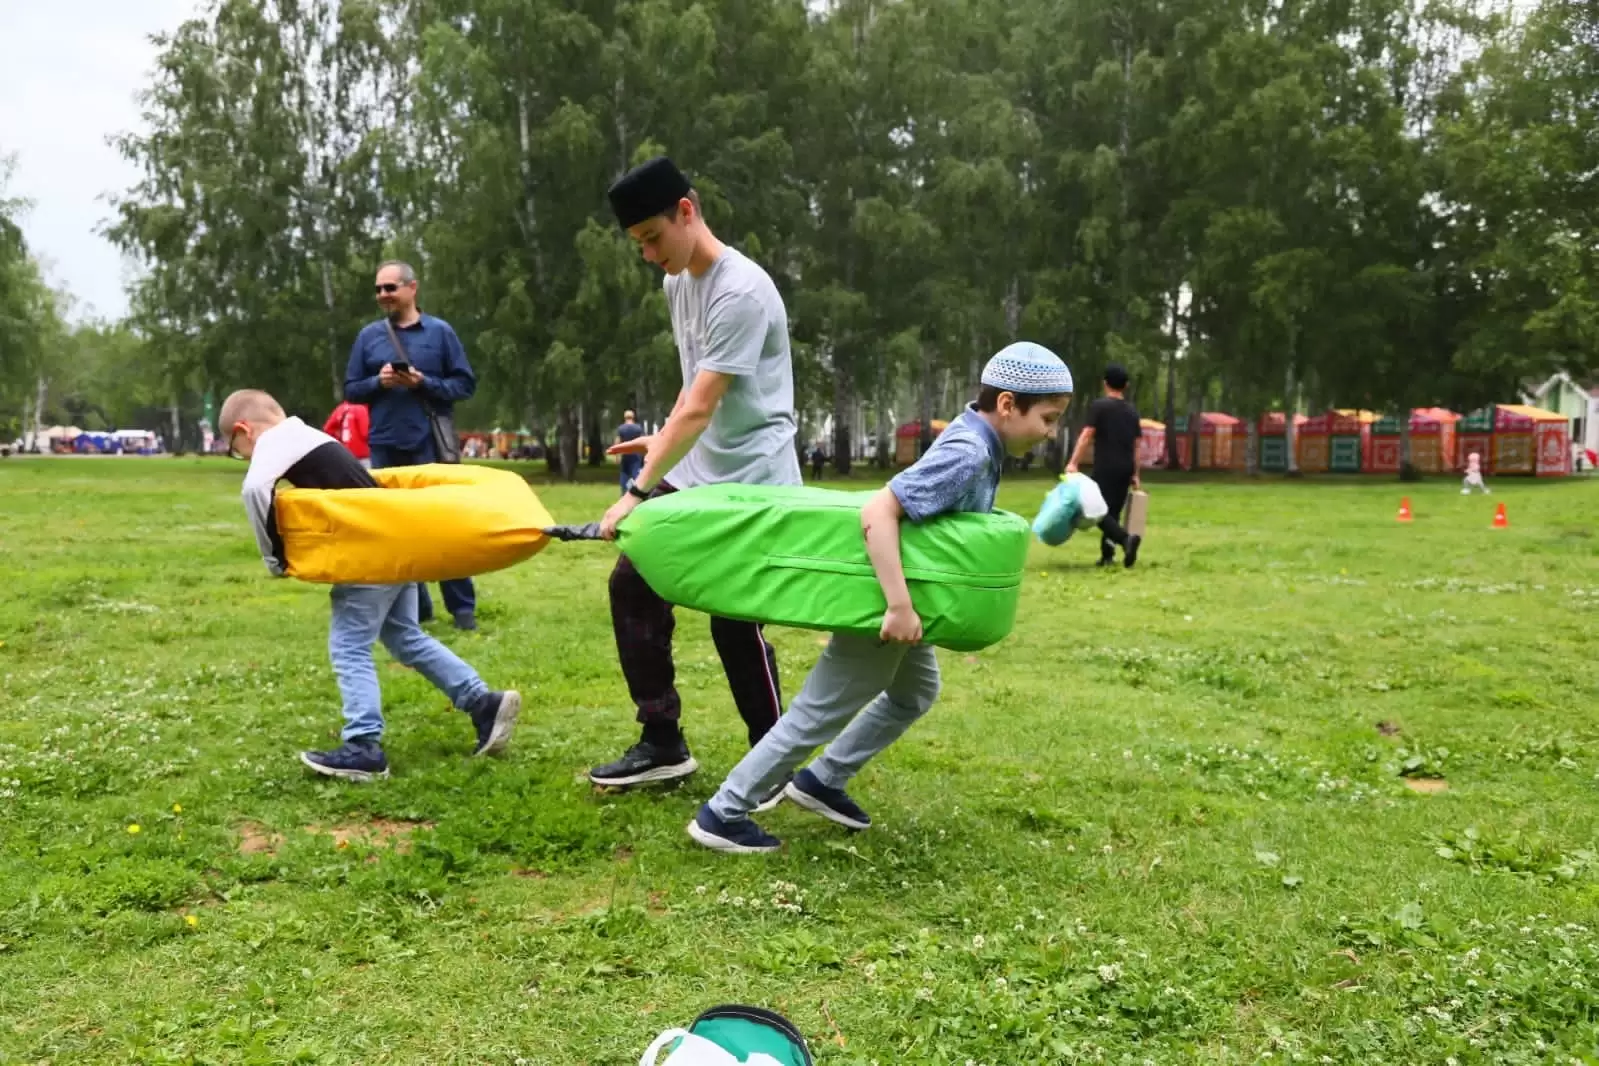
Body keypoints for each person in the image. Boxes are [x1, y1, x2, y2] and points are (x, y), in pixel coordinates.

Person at [687, 343, 1074, 852]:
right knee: (817, 713)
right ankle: (723, 812)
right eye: (1048, 419)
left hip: (904, 599)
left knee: (915, 693)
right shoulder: (970, 452)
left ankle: (821, 780)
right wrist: (897, 605)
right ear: (1007, 404)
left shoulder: (978, 442)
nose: (1050, 433)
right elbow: (878, 512)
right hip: (884, 603)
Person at [589, 156, 801, 791]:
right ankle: (662, 740)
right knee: (634, 587)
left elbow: (703, 403)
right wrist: (665, 439)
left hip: (755, 481)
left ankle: (773, 759)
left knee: (734, 621)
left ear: (687, 210)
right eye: (638, 245)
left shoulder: (742, 290)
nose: (650, 256)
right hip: (703, 466)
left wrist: (638, 490)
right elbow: (696, 395)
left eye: (653, 238)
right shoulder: (678, 282)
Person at [219, 388, 521, 782]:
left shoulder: (277, 441)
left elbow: (255, 489)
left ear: (245, 429)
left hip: (370, 550)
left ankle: (364, 747)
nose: (242, 456)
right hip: (394, 541)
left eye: (236, 448)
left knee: (349, 646)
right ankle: (483, 703)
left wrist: (274, 558)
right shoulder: (308, 436)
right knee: (404, 636)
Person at [344, 260, 481, 630]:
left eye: (390, 288)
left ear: (412, 288)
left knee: (443, 525)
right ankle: (416, 610)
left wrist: (423, 383)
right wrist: (378, 382)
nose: (383, 295)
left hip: (430, 446)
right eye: (378, 290)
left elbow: (464, 385)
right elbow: (351, 389)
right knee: (398, 529)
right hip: (386, 445)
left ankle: (463, 609)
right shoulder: (368, 337)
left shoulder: (440, 333)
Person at [1066, 364, 1143, 569]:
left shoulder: (1100, 406)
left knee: (1095, 511)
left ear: (1105, 383)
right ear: (1126, 385)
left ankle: (1125, 540)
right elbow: (1137, 446)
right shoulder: (1132, 412)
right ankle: (1107, 556)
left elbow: (1086, 436)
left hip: (1106, 466)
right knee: (1113, 512)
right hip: (1126, 468)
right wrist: (1136, 473)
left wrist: (1074, 462)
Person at [323, 399, 371, 468]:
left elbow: (327, 429)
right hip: (362, 454)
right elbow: (365, 434)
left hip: (344, 454)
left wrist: (338, 438)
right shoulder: (361, 409)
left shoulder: (341, 408)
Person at [615, 410, 645, 495]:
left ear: (624, 417)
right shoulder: (638, 428)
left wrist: (617, 456)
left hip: (625, 455)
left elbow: (617, 442)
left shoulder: (621, 428)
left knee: (624, 475)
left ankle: (624, 493)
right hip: (636, 456)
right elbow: (642, 441)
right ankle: (635, 493)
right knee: (635, 475)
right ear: (633, 417)